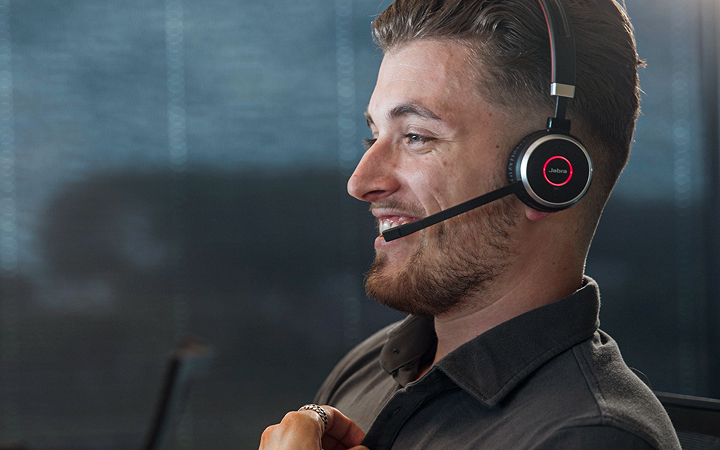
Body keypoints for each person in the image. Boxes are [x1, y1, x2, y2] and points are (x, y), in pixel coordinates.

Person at [260, 0, 681, 448]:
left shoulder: (588, 437)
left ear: (549, 174)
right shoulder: (370, 365)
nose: (360, 182)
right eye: (373, 136)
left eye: (417, 136)